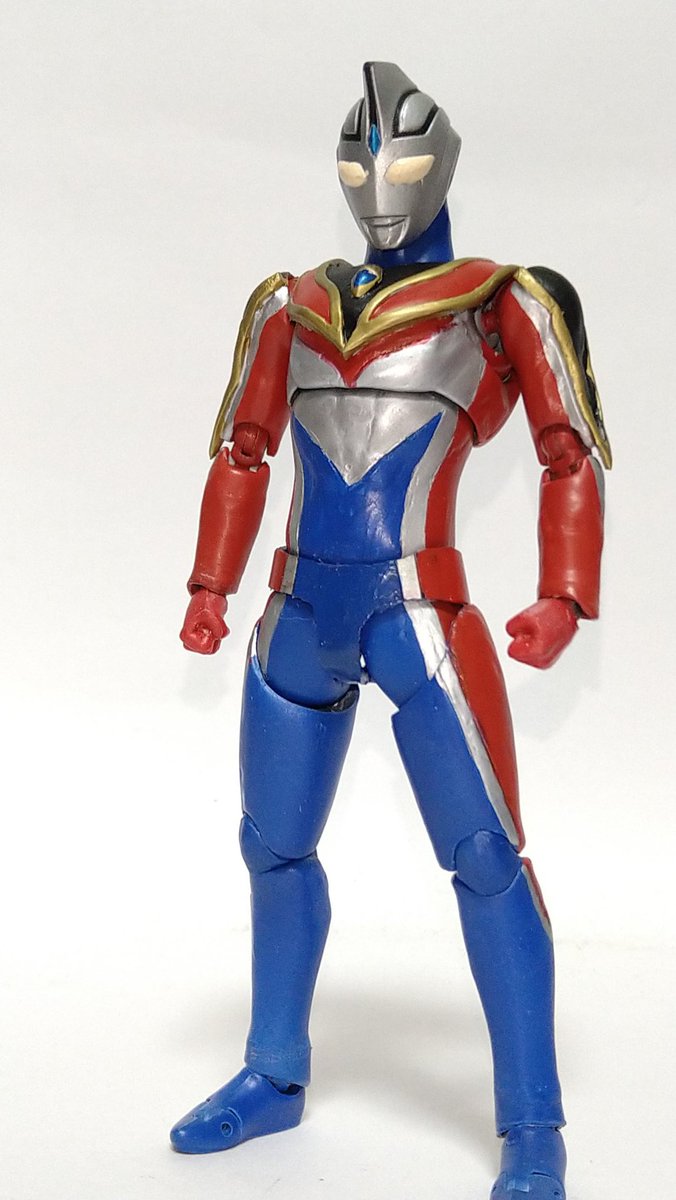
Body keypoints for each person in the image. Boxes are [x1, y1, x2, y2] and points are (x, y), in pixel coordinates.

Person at [171, 62, 609, 1200]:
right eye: (359, 163)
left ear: (442, 165)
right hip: (296, 611)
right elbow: (244, 453)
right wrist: (210, 583)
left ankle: (532, 1123)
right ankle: (274, 1072)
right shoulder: (291, 304)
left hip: (419, 612)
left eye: (405, 161)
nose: (379, 185)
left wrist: (564, 595)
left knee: (487, 860)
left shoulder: (499, 300)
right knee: (271, 847)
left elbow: (566, 452)